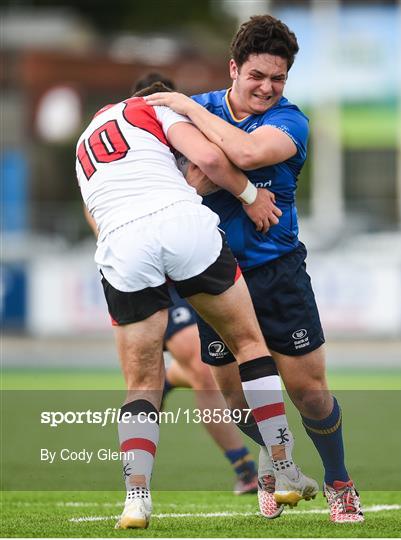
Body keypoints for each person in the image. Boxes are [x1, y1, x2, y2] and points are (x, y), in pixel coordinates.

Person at [146, 14, 364, 524]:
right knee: (236, 401)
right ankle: (277, 454)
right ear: (233, 69)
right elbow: (181, 181)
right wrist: (231, 187)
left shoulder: (290, 122)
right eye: (257, 76)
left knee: (309, 393)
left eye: (278, 78)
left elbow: (242, 151)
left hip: (277, 273)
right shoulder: (198, 110)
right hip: (213, 276)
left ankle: (339, 481)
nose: (268, 87)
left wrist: (184, 113)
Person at [75, 80, 293, 530]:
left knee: (139, 383)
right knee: (249, 344)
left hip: (122, 244)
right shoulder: (158, 110)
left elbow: (96, 213)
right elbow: (211, 160)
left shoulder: (84, 141)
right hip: (179, 222)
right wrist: (251, 197)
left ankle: (136, 499)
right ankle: (284, 467)